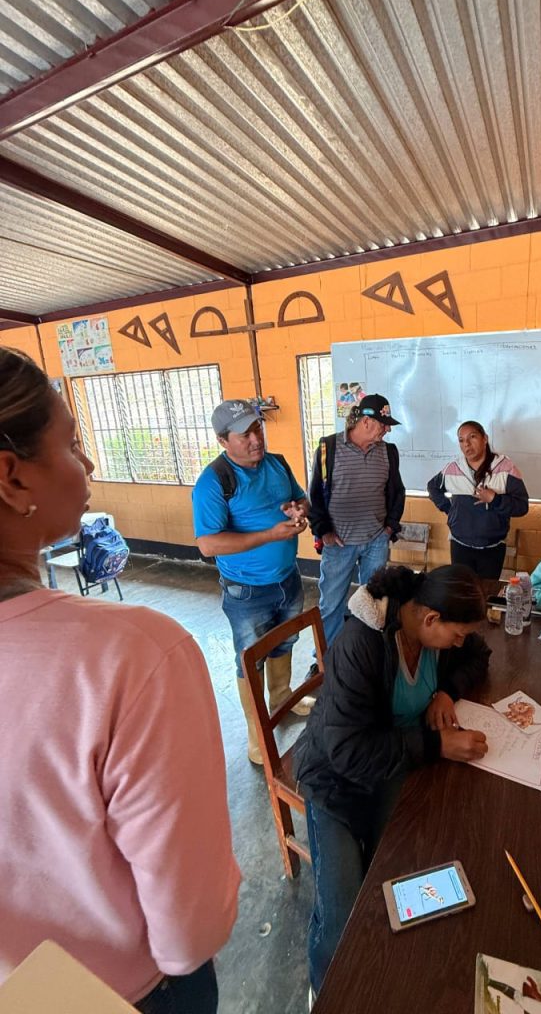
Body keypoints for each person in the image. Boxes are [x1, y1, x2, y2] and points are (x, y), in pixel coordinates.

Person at [0, 347, 240, 1012]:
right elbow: (188, 936)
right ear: (11, 478)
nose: (88, 464)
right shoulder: (133, 657)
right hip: (125, 992)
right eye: (72, 444)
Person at [293, 564, 490, 995]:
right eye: (456, 635)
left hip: (392, 764)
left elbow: (479, 654)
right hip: (335, 781)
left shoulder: (434, 632)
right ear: (431, 619)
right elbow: (348, 750)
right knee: (342, 915)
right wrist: (436, 745)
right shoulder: (362, 644)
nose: (460, 643)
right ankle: (325, 992)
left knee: (406, 873)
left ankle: (385, 972)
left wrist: (446, 692)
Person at [193, 399, 312, 765]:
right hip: (246, 591)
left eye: (257, 429)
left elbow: (301, 498)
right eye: (244, 434)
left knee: (285, 641)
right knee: (250, 659)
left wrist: (299, 511)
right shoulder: (214, 481)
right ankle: (256, 733)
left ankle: (281, 696)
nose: (255, 439)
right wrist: (270, 535)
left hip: (287, 578)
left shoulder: (277, 464)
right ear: (222, 441)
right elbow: (208, 545)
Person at [309, 393, 406, 648]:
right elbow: (315, 494)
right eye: (384, 424)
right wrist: (324, 531)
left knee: (374, 604)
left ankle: (367, 651)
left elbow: (398, 491)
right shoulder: (328, 448)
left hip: (376, 541)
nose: (387, 430)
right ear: (365, 421)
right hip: (339, 544)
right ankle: (327, 658)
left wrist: (389, 527)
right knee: (331, 604)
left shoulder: (388, 452)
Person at [427, 420, 529, 580]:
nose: (466, 444)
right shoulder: (453, 468)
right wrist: (450, 510)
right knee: (462, 590)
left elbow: (522, 506)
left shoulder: (505, 468)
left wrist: (495, 499)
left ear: (485, 438)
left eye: (472, 437)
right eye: (461, 440)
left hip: (492, 547)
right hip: (460, 545)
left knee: (486, 592)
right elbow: (432, 487)